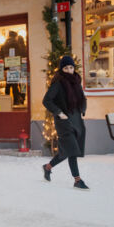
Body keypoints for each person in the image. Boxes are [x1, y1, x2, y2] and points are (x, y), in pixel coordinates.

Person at [42, 56, 89, 190]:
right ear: (62, 69)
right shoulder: (58, 83)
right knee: (72, 151)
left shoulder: (76, 82)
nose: (69, 70)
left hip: (76, 120)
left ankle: (47, 167)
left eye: (71, 67)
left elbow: (83, 98)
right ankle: (77, 180)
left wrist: (83, 110)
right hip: (64, 122)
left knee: (67, 151)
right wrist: (59, 113)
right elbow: (47, 100)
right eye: (66, 68)